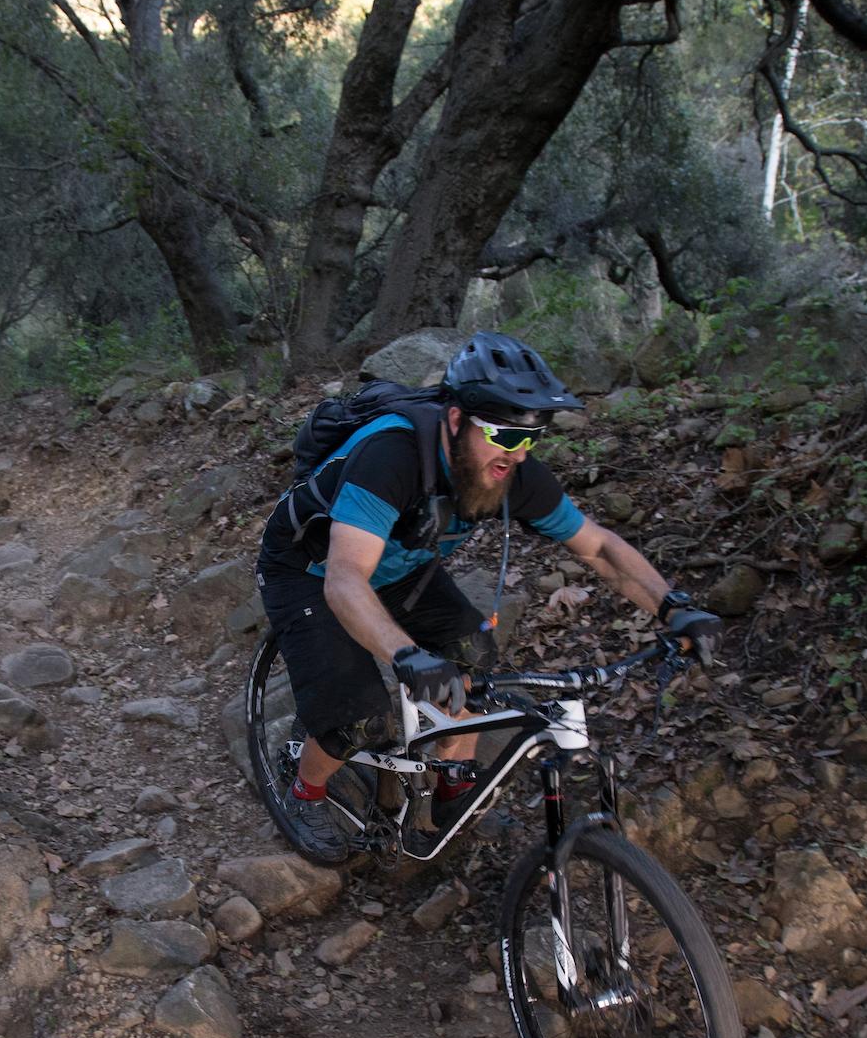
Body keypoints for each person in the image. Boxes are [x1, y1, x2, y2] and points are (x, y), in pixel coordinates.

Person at [254, 331, 718, 852]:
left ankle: (452, 778)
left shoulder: (513, 473)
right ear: (456, 420)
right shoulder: (393, 454)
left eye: (531, 438)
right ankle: (305, 789)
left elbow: (599, 549)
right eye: (503, 435)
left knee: (471, 652)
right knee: (356, 718)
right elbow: (345, 579)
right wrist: (407, 656)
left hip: (402, 567)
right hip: (310, 569)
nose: (517, 454)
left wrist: (673, 606)